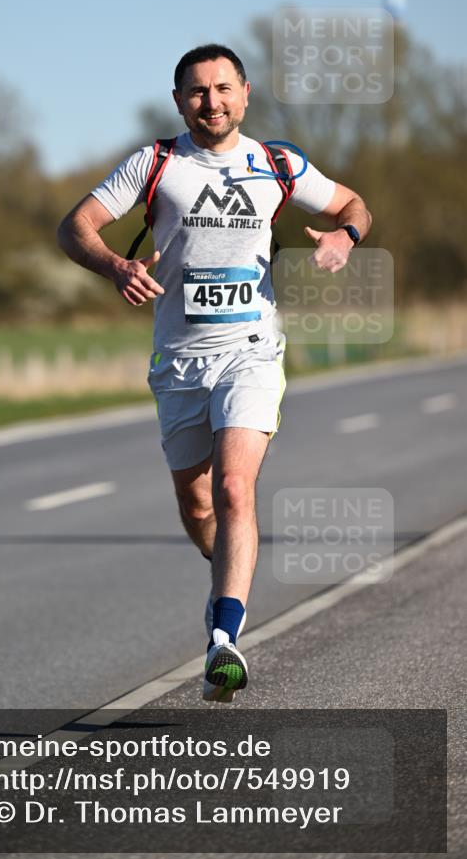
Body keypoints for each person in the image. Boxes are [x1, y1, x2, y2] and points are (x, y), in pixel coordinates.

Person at [57, 44, 371, 703]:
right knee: (197, 504)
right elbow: (74, 226)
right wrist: (115, 265)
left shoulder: (277, 162)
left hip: (251, 348)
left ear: (245, 93)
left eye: (222, 88)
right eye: (197, 92)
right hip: (177, 359)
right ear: (178, 101)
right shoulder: (155, 163)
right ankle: (225, 577)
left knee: (233, 489)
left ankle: (222, 641)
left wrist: (344, 237)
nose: (212, 102)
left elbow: (352, 206)